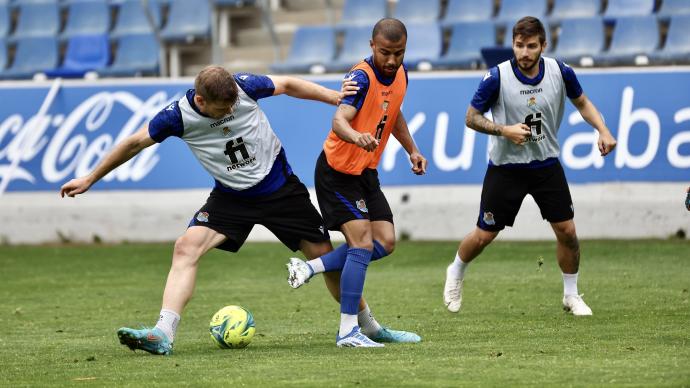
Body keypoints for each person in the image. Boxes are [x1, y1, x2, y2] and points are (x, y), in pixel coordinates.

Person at [60, 65, 416, 355]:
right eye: (222, 107)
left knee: (323, 257)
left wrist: (334, 97)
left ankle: (368, 326)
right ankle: (163, 332)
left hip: (281, 191)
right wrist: (91, 177)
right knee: (186, 247)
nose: (231, 110)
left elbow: (288, 83)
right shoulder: (177, 117)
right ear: (200, 99)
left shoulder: (244, 86)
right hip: (231, 198)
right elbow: (134, 142)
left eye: (233, 104)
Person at [442, 16, 617, 316]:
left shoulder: (560, 72)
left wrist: (603, 130)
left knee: (568, 231)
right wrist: (504, 130)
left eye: (531, 46)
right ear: (513, 44)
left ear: (543, 46)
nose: (524, 53)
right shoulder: (496, 77)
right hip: (506, 167)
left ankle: (571, 295)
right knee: (484, 235)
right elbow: (471, 117)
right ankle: (456, 271)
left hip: (546, 165)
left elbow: (583, 103)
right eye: (519, 45)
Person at [286, 18, 427, 347]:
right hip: (337, 172)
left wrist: (412, 150)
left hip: (365, 173)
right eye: (385, 52)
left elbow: (393, 114)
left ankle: (311, 268)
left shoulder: (401, 74)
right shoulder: (361, 78)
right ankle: (349, 331)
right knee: (362, 244)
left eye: (399, 53)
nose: (392, 60)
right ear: (371, 46)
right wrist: (356, 136)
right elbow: (339, 120)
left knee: (386, 241)